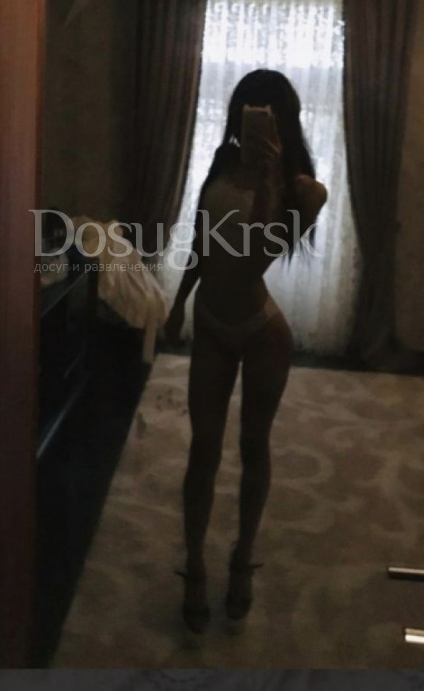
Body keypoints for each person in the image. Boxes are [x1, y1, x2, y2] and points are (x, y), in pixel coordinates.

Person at [164, 69, 328, 632]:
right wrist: (177, 303)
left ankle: (242, 559)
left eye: (265, 113)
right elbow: (202, 242)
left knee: (253, 445)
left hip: (261, 332)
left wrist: (267, 181)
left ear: (285, 122)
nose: (250, 121)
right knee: (202, 450)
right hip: (211, 323)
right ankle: (194, 566)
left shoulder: (306, 191)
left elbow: (259, 256)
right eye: (245, 110)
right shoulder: (220, 161)